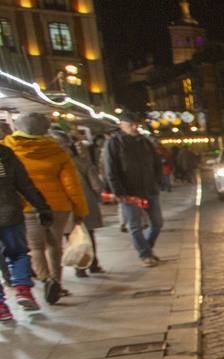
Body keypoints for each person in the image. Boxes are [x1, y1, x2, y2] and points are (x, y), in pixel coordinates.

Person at [5, 114, 88, 303]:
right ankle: (56, 282)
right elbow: (72, 185)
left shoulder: (9, 149)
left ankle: (45, 280)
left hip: (26, 206)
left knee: (35, 247)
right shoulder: (57, 151)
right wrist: (80, 210)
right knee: (54, 245)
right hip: (57, 206)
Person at [0, 136, 51, 319]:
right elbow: (24, 184)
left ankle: (1, 307)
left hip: (10, 213)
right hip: (10, 213)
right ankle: (22, 289)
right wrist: (42, 206)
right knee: (18, 253)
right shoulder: (5, 154)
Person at [104, 119, 164, 267]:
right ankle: (145, 255)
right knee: (135, 225)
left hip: (149, 189)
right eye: (130, 124)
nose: (134, 127)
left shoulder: (145, 142)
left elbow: (156, 163)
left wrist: (157, 181)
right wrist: (118, 191)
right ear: (121, 126)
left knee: (157, 223)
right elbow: (111, 169)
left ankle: (147, 248)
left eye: (136, 124)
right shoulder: (114, 143)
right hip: (129, 192)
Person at [51, 123, 106, 277]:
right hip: (84, 201)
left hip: (62, 204)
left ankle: (79, 267)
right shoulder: (80, 161)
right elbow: (95, 182)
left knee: (71, 236)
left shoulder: (51, 163)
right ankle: (93, 264)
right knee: (88, 234)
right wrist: (99, 194)